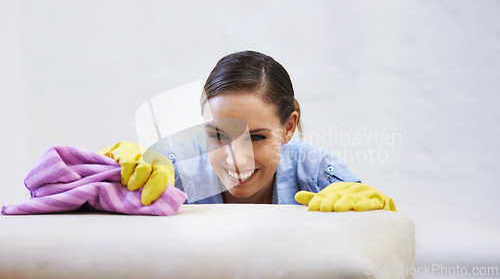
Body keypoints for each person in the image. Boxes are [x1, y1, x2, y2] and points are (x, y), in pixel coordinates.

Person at [99, 50, 396, 212]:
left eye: (256, 137)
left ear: (289, 127)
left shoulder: (318, 175)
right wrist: (101, 178)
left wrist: (377, 221)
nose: (235, 160)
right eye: (217, 135)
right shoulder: (172, 173)